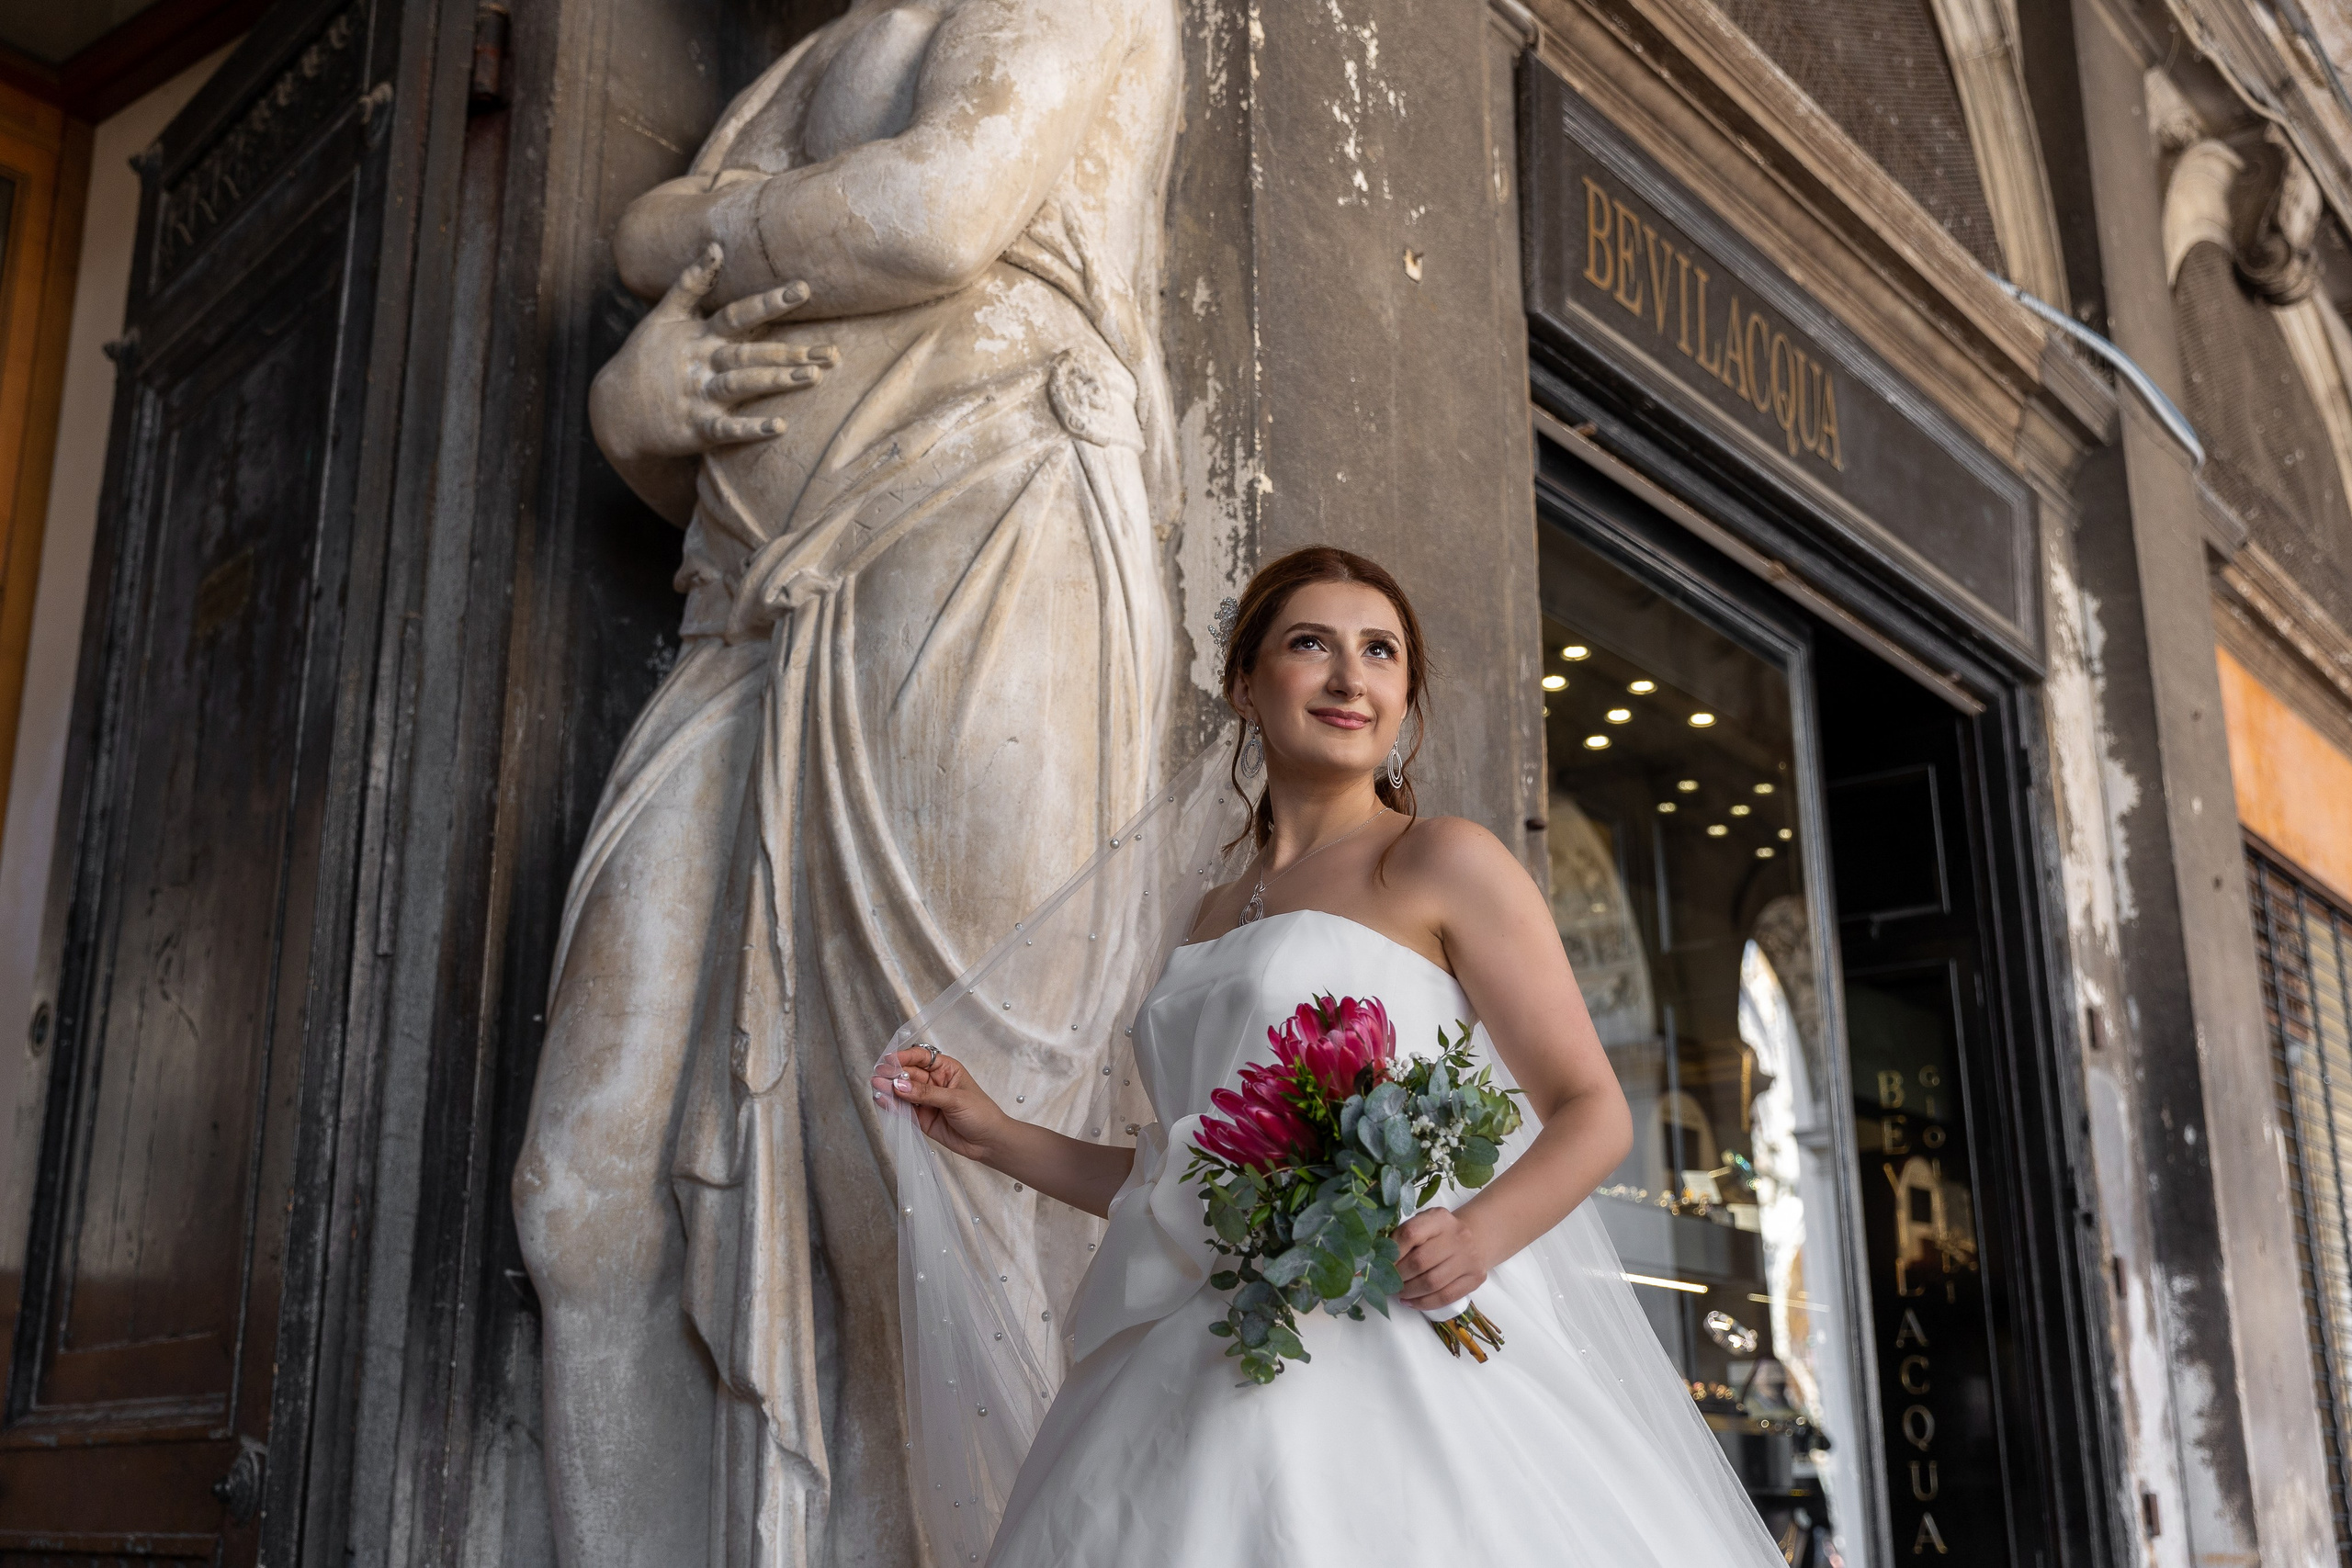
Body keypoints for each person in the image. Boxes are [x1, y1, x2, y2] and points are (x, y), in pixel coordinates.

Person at [511, 3, 1182, 1562]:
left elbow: (941, 211)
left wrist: (668, 228)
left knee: (920, 1209)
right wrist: (630, 414)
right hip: (737, 620)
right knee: (581, 1192)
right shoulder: (806, 64)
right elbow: (734, 336)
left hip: (978, 553)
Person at [872, 547, 1792, 1564]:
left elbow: (1592, 1108)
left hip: (1390, 1319)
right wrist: (995, 1135)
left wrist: (1478, 1232)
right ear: (1244, 685)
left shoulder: (1438, 859)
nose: (1351, 678)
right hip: (1209, 1336)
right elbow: (1183, 1179)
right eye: (1311, 644)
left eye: (1381, 652)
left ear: (1404, 695)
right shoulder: (1207, 913)